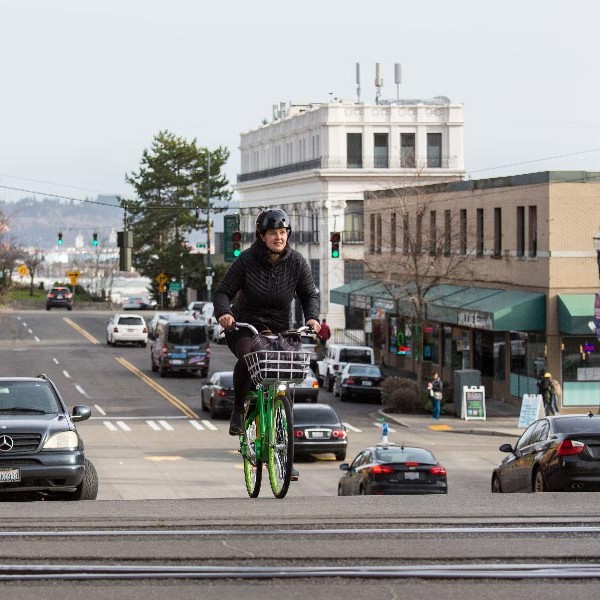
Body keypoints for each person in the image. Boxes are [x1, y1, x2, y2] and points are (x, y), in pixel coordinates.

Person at [213, 208, 321, 479]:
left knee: (287, 380)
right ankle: (238, 411)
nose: (279, 237)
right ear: (262, 236)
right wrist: (225, 314)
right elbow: (223, 292)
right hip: (245, 327)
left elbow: (309, 294)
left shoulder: (296, 262)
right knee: (249, 357)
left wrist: (313, 318)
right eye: (273, 233)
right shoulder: (246, 261)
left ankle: (286, 457)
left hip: (280, 330)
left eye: (283, 232)